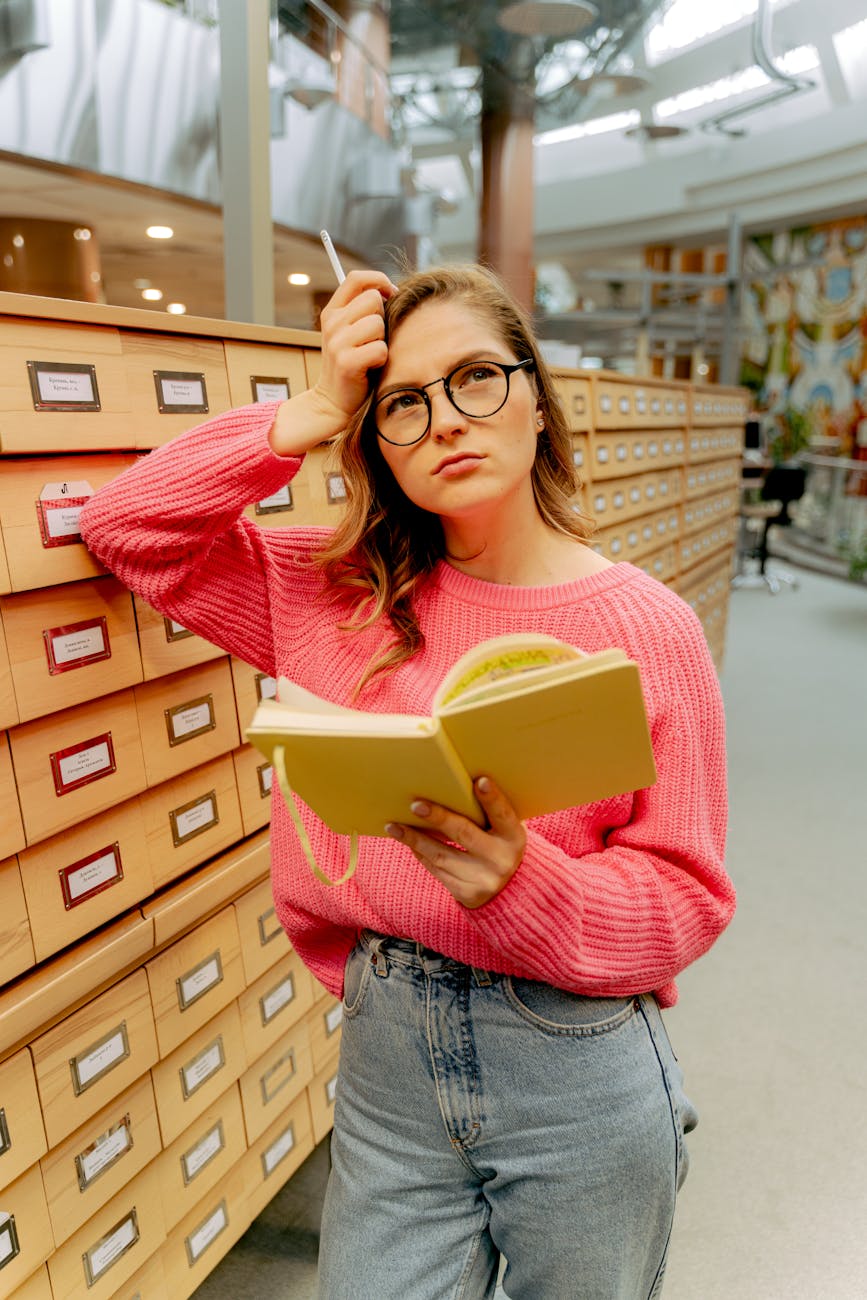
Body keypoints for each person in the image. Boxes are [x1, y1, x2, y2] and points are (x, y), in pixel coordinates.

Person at [80, 263, 735, 1299]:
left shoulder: (649, 628)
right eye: (403, 404)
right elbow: (128, 529)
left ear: (534, 396)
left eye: (476, 378)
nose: (445, 422)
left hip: (575, 1053)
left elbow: (687, 897)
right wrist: (305, 412)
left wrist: (524, 884)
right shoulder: (330, 595)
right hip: (390, 1047)